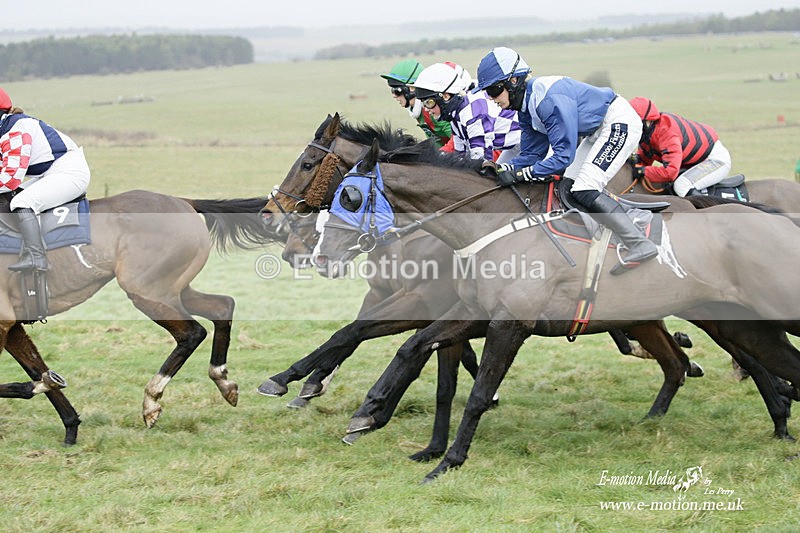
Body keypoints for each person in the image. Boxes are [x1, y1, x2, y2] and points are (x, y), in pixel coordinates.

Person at [474, 47, 656, 275]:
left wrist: (520, 175)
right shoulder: (525, 108)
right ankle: (613, 228)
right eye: (487, 93)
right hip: (596, 131)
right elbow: (532, 155)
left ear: (513, 81)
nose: (492, 99)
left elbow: (562, 157)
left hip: (618, 122)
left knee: (585, 187)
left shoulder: (547, 101)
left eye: (494, 90)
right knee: (568, 188)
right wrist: (503, 168)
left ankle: (639, 242)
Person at [0, 87, 91, 271]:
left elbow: (10, 179)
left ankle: (37, 257)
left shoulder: (16, 130)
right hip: (50, 172)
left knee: (21, 201)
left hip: (69, 173)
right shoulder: (5, 129)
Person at [411, 62, 520, 162]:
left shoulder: (473, 114)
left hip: (523, 144)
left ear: (445, 96)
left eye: (429, 102)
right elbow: (460, 155)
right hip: (513, 147)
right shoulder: (456, 115)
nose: (426, 109)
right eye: (423, 103)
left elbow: (481, 161)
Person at [628, 97, 732, 197]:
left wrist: (643, 171)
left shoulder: (666, 132)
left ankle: (709, 213)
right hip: (693, 162)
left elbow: (670, 172)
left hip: (714, 160)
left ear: (648, 121)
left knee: (681, 185)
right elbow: (643, 162)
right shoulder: (647, 135)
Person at [380, 59, 453, 149]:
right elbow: (435, 141)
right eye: (392, 91)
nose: (394, 96)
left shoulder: (433, 108)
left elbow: (458, 139)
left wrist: (441, 154)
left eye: (397, 91)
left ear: (412, 88)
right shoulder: (417, 110)